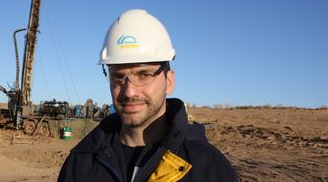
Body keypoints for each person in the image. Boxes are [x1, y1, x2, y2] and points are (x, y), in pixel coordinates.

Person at [58, 9, 238, 181]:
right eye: (118, 77)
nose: (129, 92)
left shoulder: (208, 169)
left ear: (169, 81)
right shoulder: (81, 163)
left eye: (144, 75)